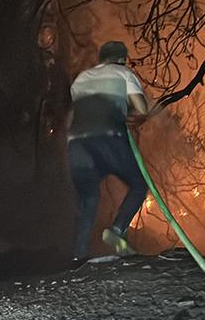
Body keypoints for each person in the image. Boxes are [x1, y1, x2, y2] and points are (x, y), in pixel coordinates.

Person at [66, 40, 154, 263]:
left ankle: (77, 256)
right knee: (139, 183)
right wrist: (133, 116)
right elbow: (142, 108)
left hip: (76, 143)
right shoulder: (123, 73)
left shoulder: (81, 78)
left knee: (89, 198)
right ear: (122, 59)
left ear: (101, 58)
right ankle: (117, 230)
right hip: (108, 138)